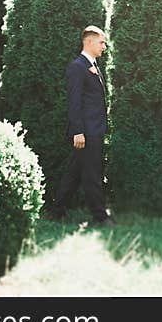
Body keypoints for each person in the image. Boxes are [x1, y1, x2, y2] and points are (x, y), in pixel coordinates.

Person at [47, 25, 115, 227]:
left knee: (74, 173)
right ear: (89, 42)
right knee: (92, 173)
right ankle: (100, 216)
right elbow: (74, 102)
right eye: (101, 42)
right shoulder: (77, 67)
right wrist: (78, 131)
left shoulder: (94, 65)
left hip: (94, 129)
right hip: (86, 131)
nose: (104, 46)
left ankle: (57, 211)